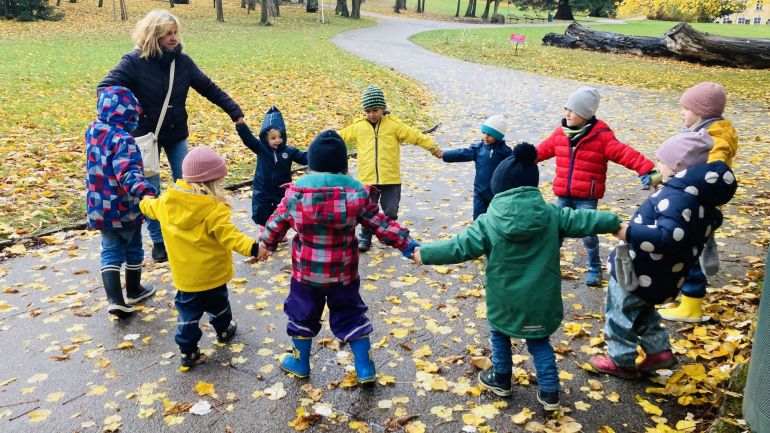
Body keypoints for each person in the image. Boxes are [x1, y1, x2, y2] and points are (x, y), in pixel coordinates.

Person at [413, 143, 621, 410]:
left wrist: (425, 253)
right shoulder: (551, 215)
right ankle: (549, 393)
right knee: (539, 343)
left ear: (499, 187)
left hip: (504, 298)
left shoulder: (488, 221)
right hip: (541, 299)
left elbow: (458, 246)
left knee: (499, 334)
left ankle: (501, 379)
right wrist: (615, 222)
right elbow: (586, 219)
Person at [257, 130, 420, 384]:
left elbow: (276, 223)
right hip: (343, 274)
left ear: (311, 166)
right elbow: (382, 225)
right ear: (343, 167)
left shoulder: (295, 195)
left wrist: (264, 245)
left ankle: (300, 362)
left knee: (301, 314)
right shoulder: (357, 196)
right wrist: (409, 245)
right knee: (350, 314)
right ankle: (365, 367)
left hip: (306, 274)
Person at [99, 9, 245, 263]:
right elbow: (106, 88)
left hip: (177, 133)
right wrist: (132, 112)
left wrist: (234, 111)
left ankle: (193, 231)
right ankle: (159, 242)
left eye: (175, 32)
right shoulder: (133, 61)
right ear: (154, 34)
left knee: (190, 182)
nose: (174, 38)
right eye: (168, 33)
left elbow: (208, 88)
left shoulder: (183, 62)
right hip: (145, 138)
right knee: (150, 189)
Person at [590, 130, 737, 379]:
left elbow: (666, 237)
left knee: (618, 312)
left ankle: (620, 360)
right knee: (643, 310)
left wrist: (628, 231)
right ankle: (659, 352)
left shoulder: (678, 198)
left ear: (678, 166)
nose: (658, 166)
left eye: (662, 161)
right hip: (662, 275)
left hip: (639, 270)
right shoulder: (698, 198)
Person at [140, 146, 258, 367]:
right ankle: (223, 330)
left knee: (187, 315)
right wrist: (253, 248)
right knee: (219, 304)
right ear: (210, 182)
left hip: (186, 279)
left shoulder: (166, 202)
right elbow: (231, 236)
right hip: (212, 275)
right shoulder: (213, 208)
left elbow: (149, 207)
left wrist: (143, 199)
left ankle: (187, 351)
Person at [536, 86, 658, 287]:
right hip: (563, 193)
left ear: (586, 114)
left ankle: (594, 267)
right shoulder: (560, 133)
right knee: (555, 230)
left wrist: (646, 169)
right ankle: (548, 266)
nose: (566, 113)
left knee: (588, 234)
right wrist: (519, 159)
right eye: (566, 108)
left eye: (572, 110)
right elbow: (540, 151)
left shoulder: (601, 136)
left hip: (586, 195)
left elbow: (624, 153)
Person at [659, 82, 739, 323]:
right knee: (686, 251)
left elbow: (716, 170)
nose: (682, 113)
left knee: (688, 254)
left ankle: (691, 306)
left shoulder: (715, 138)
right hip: (691, 202)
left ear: (702, 112)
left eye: (686, 108)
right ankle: (685, 297)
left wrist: (692, 185)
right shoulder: (704, 130)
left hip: (697, 206)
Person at [338, 84, 442, 252]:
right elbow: (338, 137)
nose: (371, 114)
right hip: (367, 178)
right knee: (366, 211)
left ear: (383, 108)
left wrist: (432, 147)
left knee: (391, 210)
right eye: (368, 111)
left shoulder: (394, 125)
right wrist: (321, 145)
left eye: (376, 110)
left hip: (390, 177)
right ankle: (365, 237)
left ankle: (387, 234)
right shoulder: (358, 127)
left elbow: (414, 135)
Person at [86, 86, 159, 318]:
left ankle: (115, 299)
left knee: (109, 250)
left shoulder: (93, 131)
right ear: (128, 114)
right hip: (123, 207)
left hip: (99, 206)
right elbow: (127, 174)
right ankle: (134, 289)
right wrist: (145, 191)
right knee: (133, 247)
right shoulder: (123, 140)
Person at [236, 105, 307, 232]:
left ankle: (278, 231)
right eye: (273, 138)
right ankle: (265, 229)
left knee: (280, 210)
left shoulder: (289, 151)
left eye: (280, 137)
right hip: (263, 187)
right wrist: (241, 127)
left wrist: (318, 154)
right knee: (262, 210)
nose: (277, 140)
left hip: (281, 188)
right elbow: (249, 139)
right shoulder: (261, 149)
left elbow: (304, 157)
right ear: (265, 138)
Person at [441, 115, 512, 220]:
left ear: (498, 137)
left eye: (490, 135)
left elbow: (515, 166)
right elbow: (462, 153)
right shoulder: (478, 149)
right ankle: (479, 235)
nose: (486, 137)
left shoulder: (505, 152)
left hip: (497, 194)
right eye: (484, 133)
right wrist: (444, 155)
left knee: (497, 219)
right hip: (480, 192)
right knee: (478, 220)